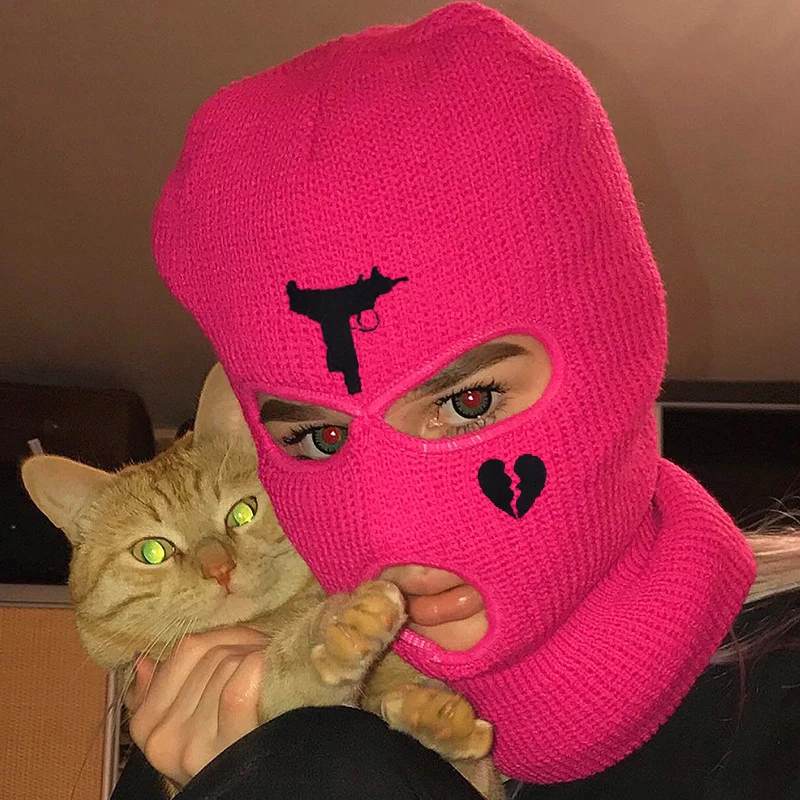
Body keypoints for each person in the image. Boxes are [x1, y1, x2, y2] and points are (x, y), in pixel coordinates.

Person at [113, 3, 800, 797]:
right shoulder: (225, 728)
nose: (391, 532)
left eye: (468, 403)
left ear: (620, 354)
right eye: (321, 439)